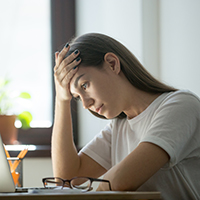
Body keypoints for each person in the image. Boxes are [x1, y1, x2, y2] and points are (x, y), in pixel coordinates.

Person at [52, 33, 200, 199]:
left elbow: (121, 180)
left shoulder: (181, 105)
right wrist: (61, 99)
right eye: (77, 97)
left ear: (112, 63)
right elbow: (66, 178)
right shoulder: (119, 126)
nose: (86, 104)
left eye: (84, 85)